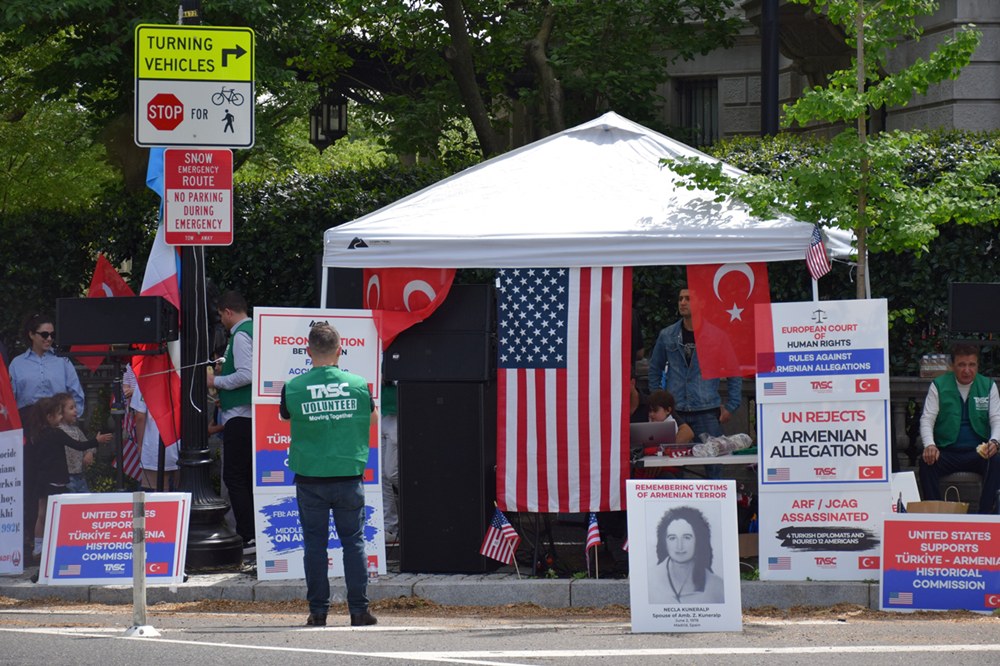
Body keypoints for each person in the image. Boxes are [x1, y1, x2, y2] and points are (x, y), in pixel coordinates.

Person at [279, 323, 378, 628]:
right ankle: (359, 611)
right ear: (340, 350)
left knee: (314, 545)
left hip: (310, 476)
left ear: (308, 351)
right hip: (348, 474)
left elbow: (285, 416)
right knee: (354, 543)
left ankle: (318, 612)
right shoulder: (358, 384)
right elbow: (373, 419)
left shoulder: (293, 386)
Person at [9, 313, 85, 551]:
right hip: (28, 425)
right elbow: (10, 399)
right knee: (31, 478)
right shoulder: (17, 364)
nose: (49, 339)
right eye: (44, 334)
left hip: (56, 426)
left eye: (52, 335)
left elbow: (77, 395)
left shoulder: (62, 362)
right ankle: (30, 536)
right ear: (31, 335)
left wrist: (68, 421)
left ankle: (61, 536)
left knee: (59, 478)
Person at [647, 288, 741, 476]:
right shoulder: (667, 334)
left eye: (688, 298)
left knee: (714, 467)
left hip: (707, 411)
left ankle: (717, 496)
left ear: (701, 303)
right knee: (672, 466)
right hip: (676, 411)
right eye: (680, 298)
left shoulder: (717, 335)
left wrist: (732, 405)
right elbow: (654, 368)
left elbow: (734, 371)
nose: (682, 302)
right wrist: (659, 403)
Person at [918, 343, 1000, 514]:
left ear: (977, 365)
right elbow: (927, 418)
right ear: (953, 366)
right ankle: (935, 516)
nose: (967, 370)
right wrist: (930, 445)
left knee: (996, 461)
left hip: (978, 452)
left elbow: (996, 418)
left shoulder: (988, 386)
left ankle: (986, 515)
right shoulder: (939, 385)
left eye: (972, 365)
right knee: (926, 463)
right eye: (962, 365)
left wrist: (994, 441)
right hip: (947, 451)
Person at [30, 394, 111, 558]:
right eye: (58, 414)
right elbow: (78, 445)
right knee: (59, 514)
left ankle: (39, 546)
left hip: (44, 479)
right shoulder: (56, 433)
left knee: (42, 513)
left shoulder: (36, 434)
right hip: (57, 480)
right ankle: (60, 543)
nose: (61, 418)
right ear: (49, 416)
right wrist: (96, 441)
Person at [207, 290, 255, 555]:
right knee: (244, 477)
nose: (221, 321)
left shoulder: (241, 334)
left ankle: (248, 535)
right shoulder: (253, 329)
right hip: (246, 414)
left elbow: (247, 374)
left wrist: (216, 381)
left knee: (235, 477)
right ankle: (251, 534)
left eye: (221, 316)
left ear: (228, 312)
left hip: (240, 417)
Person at [649, 505, 724, 604]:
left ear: (698, 540)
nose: (679, 546)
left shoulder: (717, 587)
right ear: (664, 542)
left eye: (687, 537)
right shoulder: (649, 581)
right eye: (672, 538)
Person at [130, 380, 179, 491]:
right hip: (178, 444)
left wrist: (140, 445)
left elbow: (140, 417)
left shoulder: (144, 380)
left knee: (154, 493)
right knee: (179, 491)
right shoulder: (181, 378)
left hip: (153, 445)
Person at [55, 392, 97, 493]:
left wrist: (89, 453)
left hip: (80, 476)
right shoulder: (56, 430)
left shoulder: (76, 430)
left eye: (75, 407)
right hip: (65, 478)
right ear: (61, 412)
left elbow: (88, 444)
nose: (75, 410)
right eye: (71, 408)